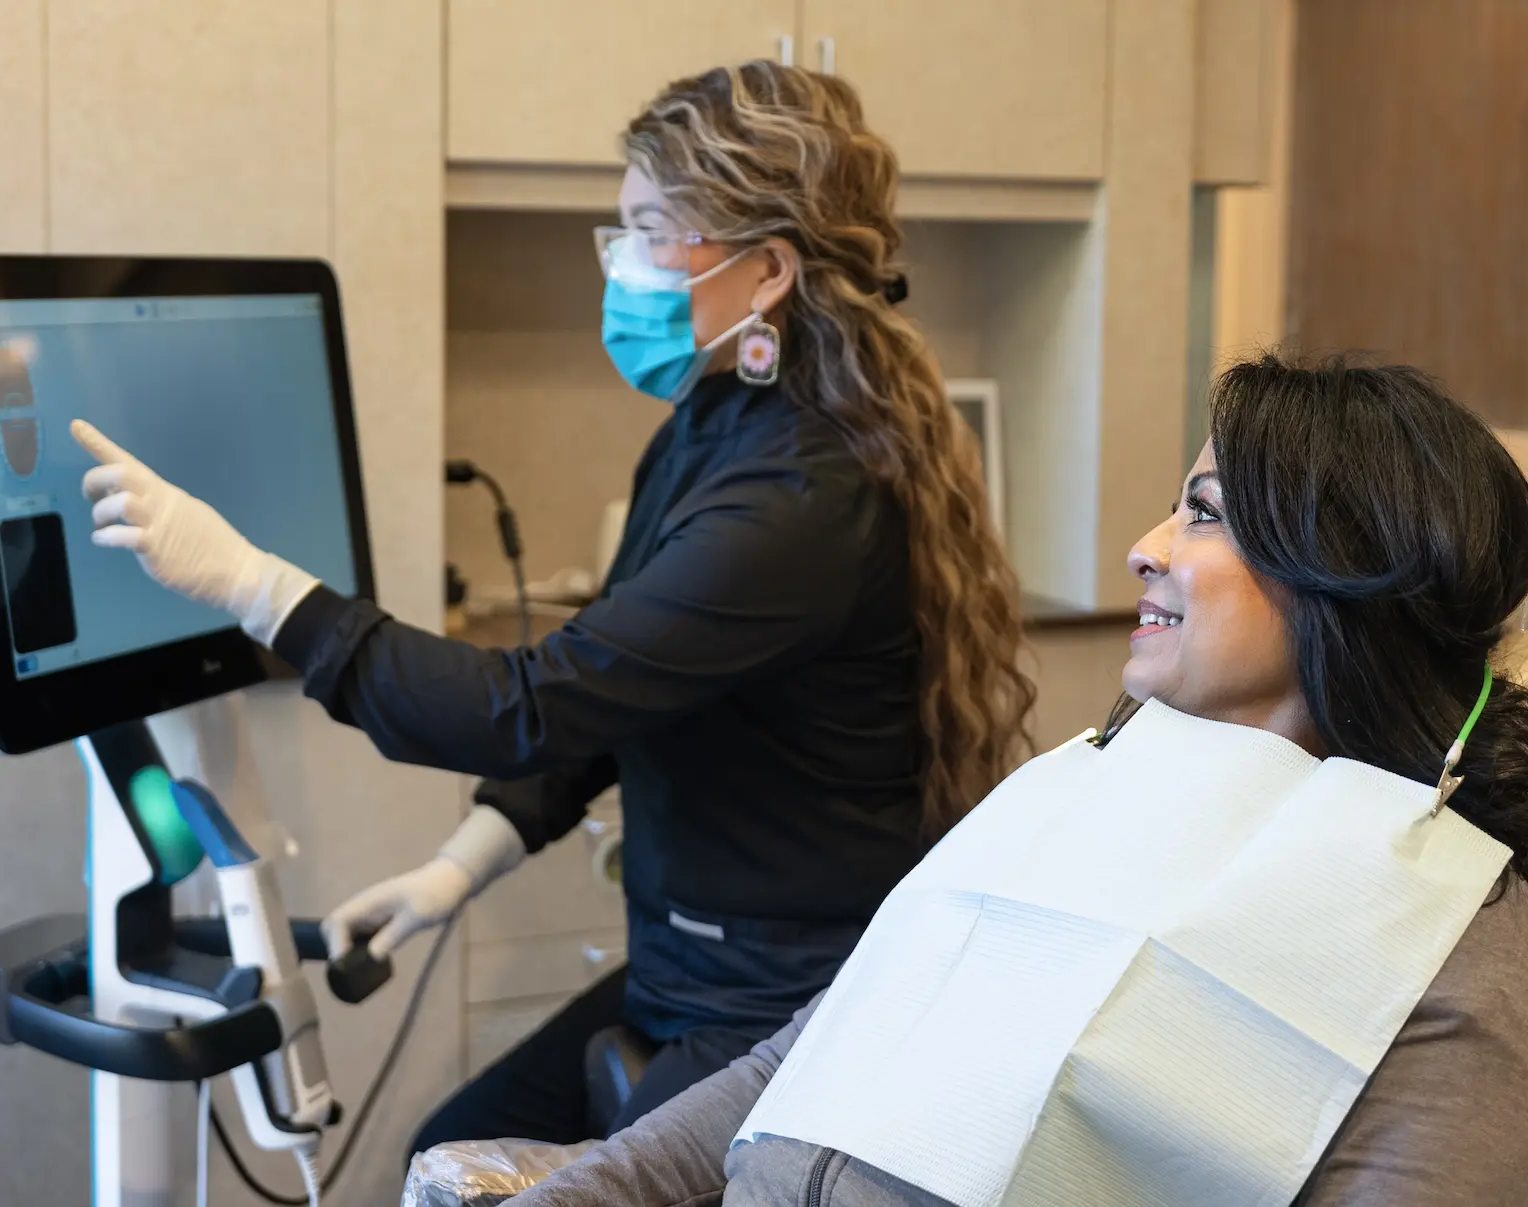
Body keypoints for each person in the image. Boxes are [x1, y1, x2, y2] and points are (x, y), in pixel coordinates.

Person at [67, 59, 1037, 1150]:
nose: (620, 266)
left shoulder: (806, 495)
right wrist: (458, 866)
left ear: (766, 271)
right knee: (448, 1154)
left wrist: (253, 582)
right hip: (688, 970)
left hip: (786, 1008)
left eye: (648, 232)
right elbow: (609, 694)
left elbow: (525, 703)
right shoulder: (716, 421)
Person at [498, 356, 1528, 1207]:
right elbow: (799, 1065)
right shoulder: (1081, 787)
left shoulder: (1445, 928)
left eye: (1205, 513)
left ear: (1340, 578)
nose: (1145, 546)